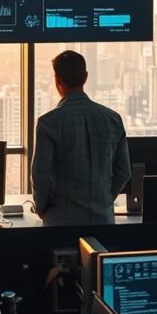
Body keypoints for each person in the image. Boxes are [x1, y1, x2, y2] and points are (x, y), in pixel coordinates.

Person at [31, 50, 131, 226]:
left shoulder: (48, 123)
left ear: (57, 80)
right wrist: (105, 199)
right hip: (103, 221)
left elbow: (41, 176)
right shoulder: (113, 119)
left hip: (60, 222)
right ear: (85, 77)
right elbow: (124, 171)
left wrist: (41, 209)